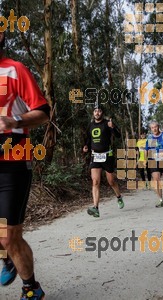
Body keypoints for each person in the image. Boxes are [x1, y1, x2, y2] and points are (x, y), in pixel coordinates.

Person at [0, 32, 50, 299]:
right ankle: (8, 257)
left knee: (9, 236)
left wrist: (14, 122)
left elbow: (43, 113)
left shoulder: (15, 70)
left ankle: (32, 289)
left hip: (13, 163)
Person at [83, 105, 124, 217]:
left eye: (99, 111)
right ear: (93, 113)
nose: (97, 113)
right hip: (95, 156)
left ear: (102, 113)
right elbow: (88, 138)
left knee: (111, 181)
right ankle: (96, 208)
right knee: (95, 181)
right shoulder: (90, 125)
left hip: (107, 156)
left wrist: (113, 127)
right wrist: (86, 145)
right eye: (95, 111)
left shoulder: (107, 123)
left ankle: (119, 197)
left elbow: (118, 135)